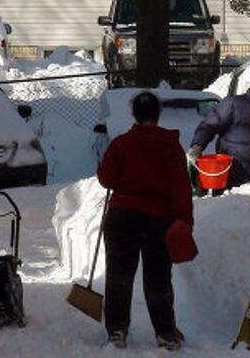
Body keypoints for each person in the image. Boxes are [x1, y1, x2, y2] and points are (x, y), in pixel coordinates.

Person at [97, 91, 192, 351]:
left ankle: (117, 331)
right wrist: (184, 220)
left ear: (134, 115)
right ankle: (166, 332)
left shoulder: (121, 144)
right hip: (157, 220)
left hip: (121, 218)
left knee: (119, 276)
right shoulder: (171, 146)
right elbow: (181, 188)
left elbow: (106, 179)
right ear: (157, 114)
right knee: (158, 278)